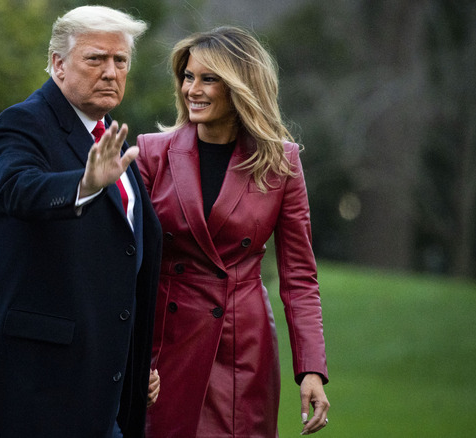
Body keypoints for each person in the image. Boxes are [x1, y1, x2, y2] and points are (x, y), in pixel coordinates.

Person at [0, 6, 162, 437]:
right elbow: (19, 189)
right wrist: (84, 184)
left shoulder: (112, 140)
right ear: (58, 64)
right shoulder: (23, 122)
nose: (110, 72)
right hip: (33, 386)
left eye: (120, 61)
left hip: (101, 389)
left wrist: (130, 359)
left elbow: (120, 257)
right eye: (95, 59)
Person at [136, 27, 330, 437]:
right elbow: (124, 261)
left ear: (241, 86)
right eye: (188, 77)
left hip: (241, 346)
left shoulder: (281, 162)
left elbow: (299, 278)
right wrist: (127, 354)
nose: (193, 89)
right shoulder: (152, 153)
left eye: (209, 79)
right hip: (165, 342)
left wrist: (311, 369)